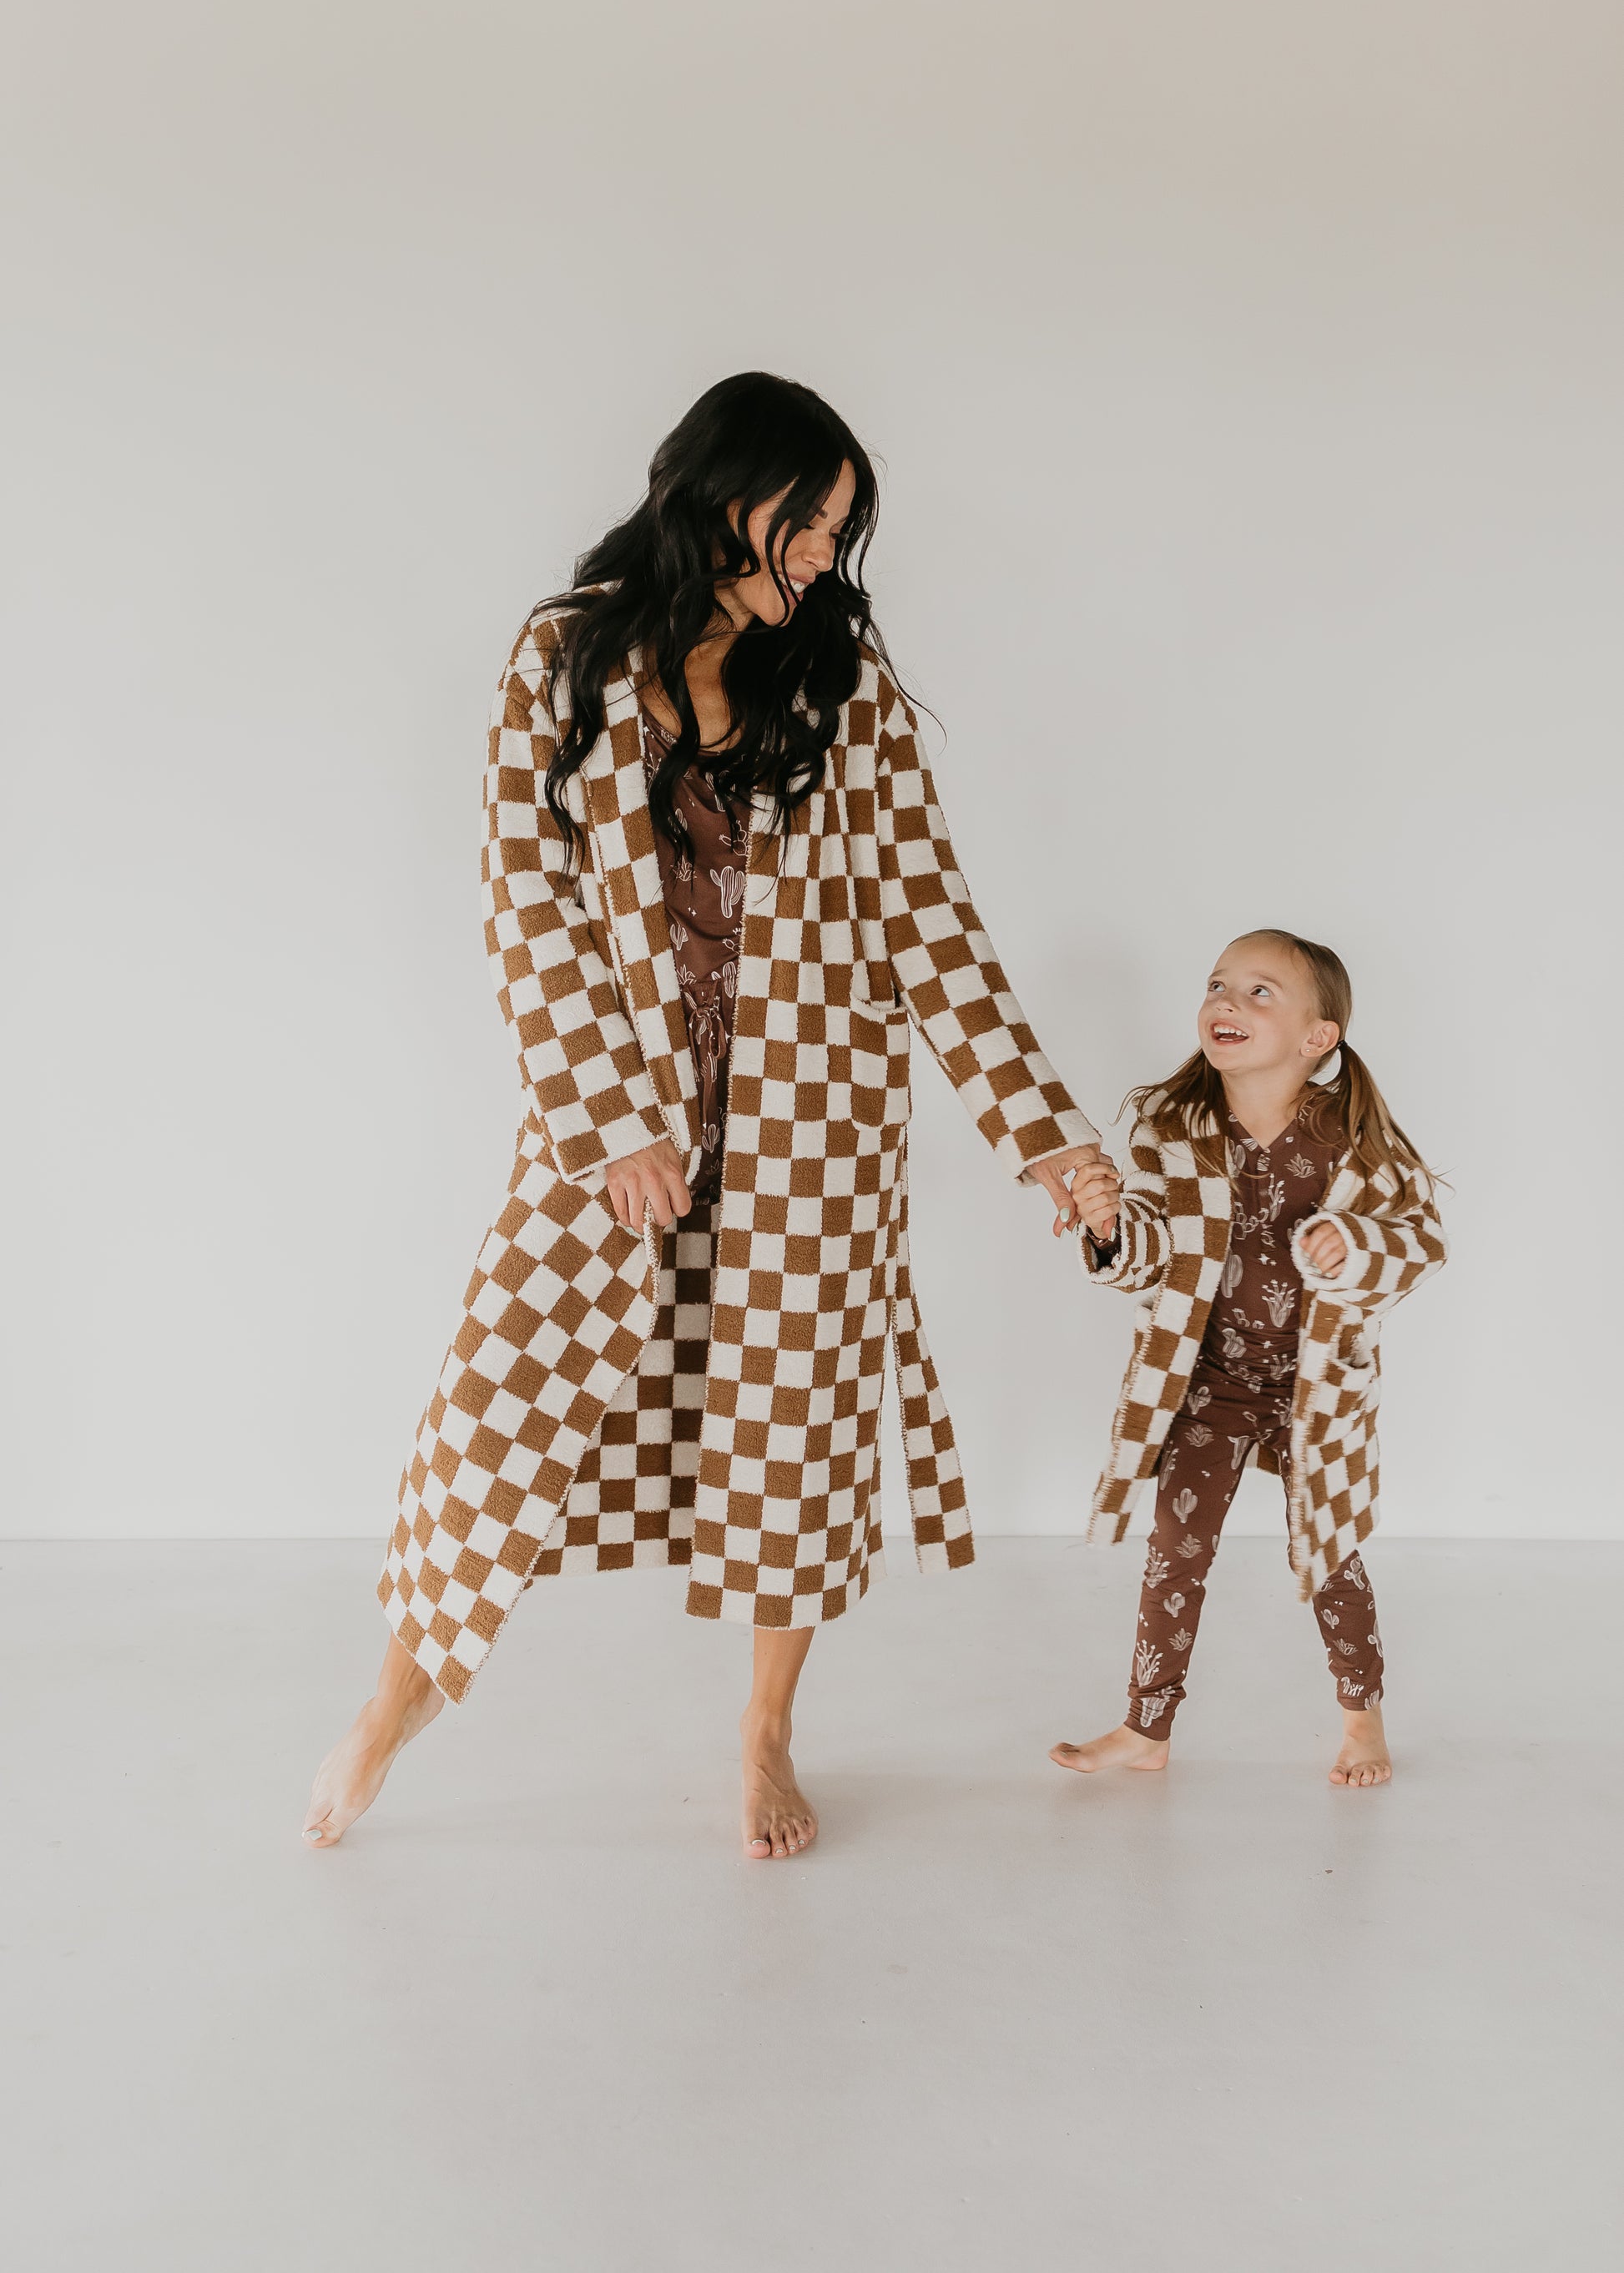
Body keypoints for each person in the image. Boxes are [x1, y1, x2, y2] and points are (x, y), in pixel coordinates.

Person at [304, 372, 1100, 1859]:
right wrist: (608, 1117)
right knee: (500, 1414)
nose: (821, 557)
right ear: (719, 489)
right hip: (620, 1123)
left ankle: (764, 1726)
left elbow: (931, 922)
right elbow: (525, 904)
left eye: (841, 534)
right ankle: (390, 1704)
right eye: (807, 520)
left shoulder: (838, 682)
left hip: (817, 1129)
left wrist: (1044, 1134)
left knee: (791, 1437)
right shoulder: (566, 656)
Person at [1053, 930, 1445, 1788]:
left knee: (1328, 1550)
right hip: (1208, 1383)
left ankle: (1361, 1719)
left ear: (1318, 1038)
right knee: (1174, 1549)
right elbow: (1153, 1257)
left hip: (1315, 1391)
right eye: (1217, 985)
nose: (1226, 1002)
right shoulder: (1175, 1129)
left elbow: (1420, 1244)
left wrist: (1360, 1244)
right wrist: (1111, 1225)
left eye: (1259, 991)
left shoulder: (1350, 1139)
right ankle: (1145, 1727)